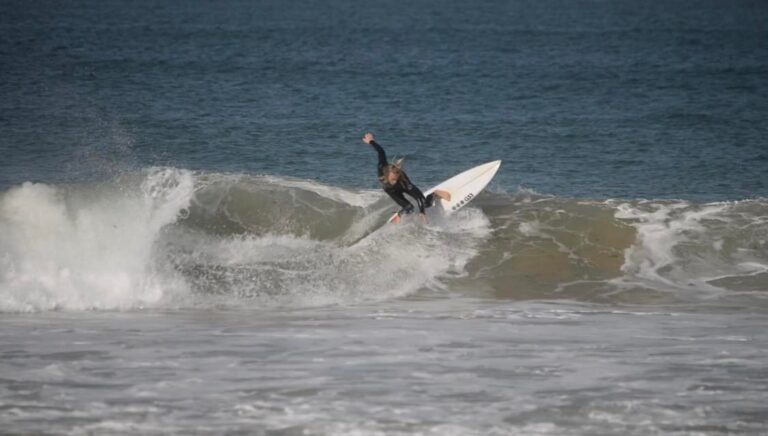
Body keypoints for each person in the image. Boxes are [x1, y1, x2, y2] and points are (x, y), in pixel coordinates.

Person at [362, 132, 450, 223]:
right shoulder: (382, 168)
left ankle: (434, 194)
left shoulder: (403, 180)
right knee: (409, 209)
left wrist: (422, 213)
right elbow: (381, 152)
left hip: (403, 186)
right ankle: (400, 213)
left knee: (425, 204)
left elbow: (418, 198)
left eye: (396, 178)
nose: (395, 181)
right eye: (393, 179)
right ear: (387, 175)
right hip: (391, 191)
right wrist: (371, 141)